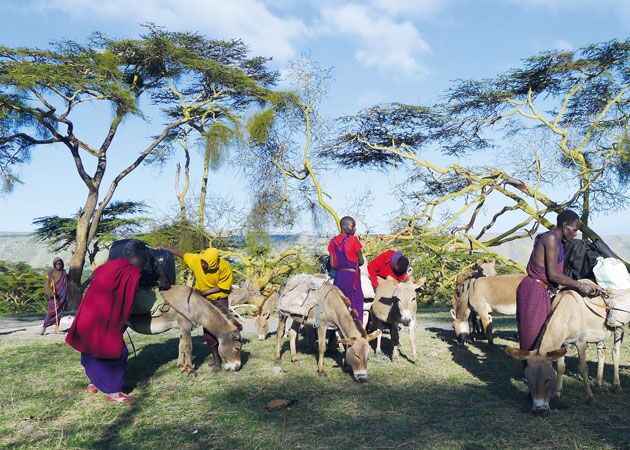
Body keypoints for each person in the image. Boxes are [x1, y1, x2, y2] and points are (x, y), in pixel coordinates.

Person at [65, 241, 145, 403]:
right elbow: (126, 298)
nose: (143, 263)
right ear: (137, 257)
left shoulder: (111, 266)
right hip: (103, 317)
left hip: (88, 315)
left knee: (90, 347)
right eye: (142, 259)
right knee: (116, 351)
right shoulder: (130, 273)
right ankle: (114, 392)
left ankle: (94, 383)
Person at [517, 210, 602, 353]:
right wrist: (580, 285)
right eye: (574, 230)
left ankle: (537, 370)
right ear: (565, 225)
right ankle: (530, 371)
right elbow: (553, 275)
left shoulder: (560, 242)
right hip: (533, 290)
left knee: (542, 335)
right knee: (531, 336)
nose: (575, 233)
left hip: (542, 290)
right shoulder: (550, 238)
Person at [159, 246, 233, 372]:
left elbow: (224, 287)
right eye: (202, 262)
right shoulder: (197, 260)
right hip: (203, 300)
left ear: (214, 262)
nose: (203, 265)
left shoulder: (224, 267)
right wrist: (166, 249)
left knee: (224, 328)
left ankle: (231, 355)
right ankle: (216, 360)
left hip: (219, 298)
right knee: (209, 332)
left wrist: (204, 292)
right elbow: (183, 254)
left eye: (206, 264)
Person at [328, 216, 365, 318]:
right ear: (344, 226)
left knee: (339, 304)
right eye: (352, 226)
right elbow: (361, 261)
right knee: (356, 304)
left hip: (338, 277)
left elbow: (332, 265)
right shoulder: (354, 240)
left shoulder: (332, 241)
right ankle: (356, 330)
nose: (354, 229)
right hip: (352, 278)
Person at [41, 257, 68, 335]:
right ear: (54, 264)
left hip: (62, 297)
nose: (59, 265)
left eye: (60, 264)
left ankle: (56, 329)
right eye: (57, 264)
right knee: (50, 312)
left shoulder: (64, 273)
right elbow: (47, 284)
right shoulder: (51, 273)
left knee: (59, 313)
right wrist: (50, 292)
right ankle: (43, 328)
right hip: (54, 297)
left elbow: (67, 282)